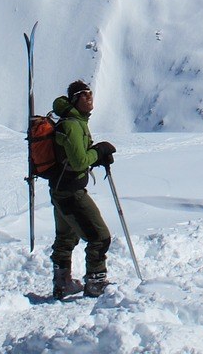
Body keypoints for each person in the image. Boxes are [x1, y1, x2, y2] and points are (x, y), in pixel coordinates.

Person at [49, 79, 117, 300]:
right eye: (84, 94)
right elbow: (78, 161)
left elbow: (73, 158)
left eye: (90, 93)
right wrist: (98, 152)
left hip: (60, 189)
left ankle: (62, 283)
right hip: (71, 192)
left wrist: (94, 155)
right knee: (100, 236)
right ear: (75, 99)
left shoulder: (75, 122)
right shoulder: (72, 125)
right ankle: (96, 282)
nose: (89, 98)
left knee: (66, 238)